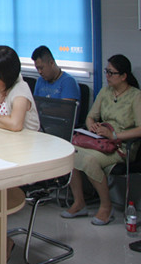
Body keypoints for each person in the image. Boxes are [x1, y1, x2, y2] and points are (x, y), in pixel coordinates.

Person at [60, 54, 141, 226]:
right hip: (101, 141)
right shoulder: (105, 92)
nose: (107, 76)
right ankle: (79, 203)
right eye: (106, 71)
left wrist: (115, 136)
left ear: (123, 76)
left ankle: (106, 206)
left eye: (111, 73)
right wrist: (92, 127)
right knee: (70, 153)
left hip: (121, 146)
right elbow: (91, 117)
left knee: (88, 161)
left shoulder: (135, 96)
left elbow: (140, 129)